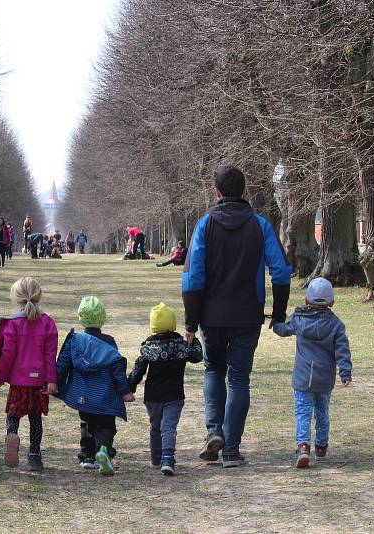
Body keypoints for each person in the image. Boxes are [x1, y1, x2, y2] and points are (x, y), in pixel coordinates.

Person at [182, 165, 292, 468]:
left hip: (212, 317)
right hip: (247, 316)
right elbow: (281, 271)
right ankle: (231, 450)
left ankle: (214, 431)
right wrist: (279, 312)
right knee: (239, 379)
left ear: (216, 193)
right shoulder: (261, 225)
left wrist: (191, 321)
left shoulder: (205, 225)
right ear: (246, 191)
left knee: (213, 371)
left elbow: (192, 277)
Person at [272, 277, 352, 468]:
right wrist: (345, 372)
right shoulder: (336, 325)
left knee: (302, 412)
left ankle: (303, 447)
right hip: (324, 379)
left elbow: (285, 330)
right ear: (332, 302)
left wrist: (275, 324)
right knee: (322, 411)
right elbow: (342, 350)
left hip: (302, 377)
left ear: (307, 300)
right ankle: (322, 445)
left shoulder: (300, 319)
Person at [54, 296, 135, 476]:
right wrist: (125, 392)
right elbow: (117, 370)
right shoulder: (109, 342)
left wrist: (55, 383)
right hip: (105, 396)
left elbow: (62, 364)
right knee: (107, 426)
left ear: (81, 317)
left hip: (82, 395)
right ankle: (104, 450)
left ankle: (87, 457)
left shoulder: (75, 340)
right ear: (102, 318)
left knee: (86, 423)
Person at [0, 277, 58, 471]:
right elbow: (50, 354)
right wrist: (51, 380)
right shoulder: (48, 323)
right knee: (35, 419)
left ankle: (12, 435)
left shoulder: (12, 324)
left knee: (13, 415)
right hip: (39, 383)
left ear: (16, 297)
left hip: (18, 382)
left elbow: (7, 354)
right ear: (39, 296)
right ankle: (35, 455)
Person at [128, 303, 203, 475]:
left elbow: (138, 370)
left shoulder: (148, 348)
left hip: (152, 396)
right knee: (168, 427)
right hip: (175, 395)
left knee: (155, 426)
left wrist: (129, 387)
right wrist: (194, 339)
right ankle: (167, 458)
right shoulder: (182, 346)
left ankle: (156, 458)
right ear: (172, 324)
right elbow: (198, 356)